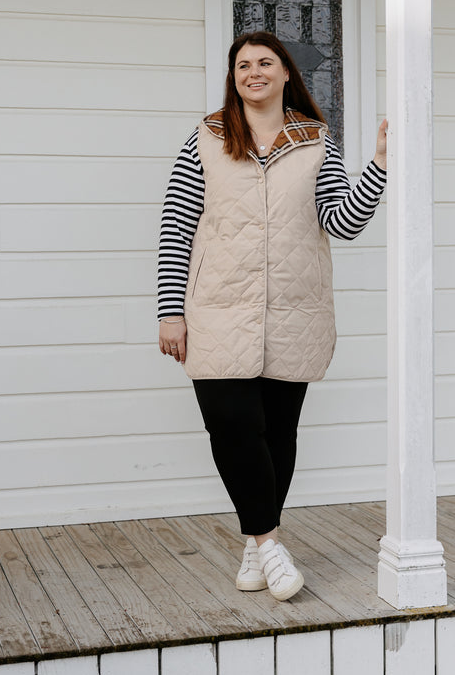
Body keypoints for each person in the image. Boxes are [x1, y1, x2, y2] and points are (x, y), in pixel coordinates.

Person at [158, 31, 387, 601]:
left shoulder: (316, 143)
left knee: (277, 432)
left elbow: (340, 221)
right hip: (216, 308)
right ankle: (269, 542)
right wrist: (170, 313)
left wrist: (379, 165)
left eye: (265, 63)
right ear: (233, 77)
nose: (253, 72)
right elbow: (176, 227)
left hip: (295, 308)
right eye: (243, 65)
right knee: (231, 425)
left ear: (287, 73)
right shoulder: (207, 138)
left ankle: (257, 542)